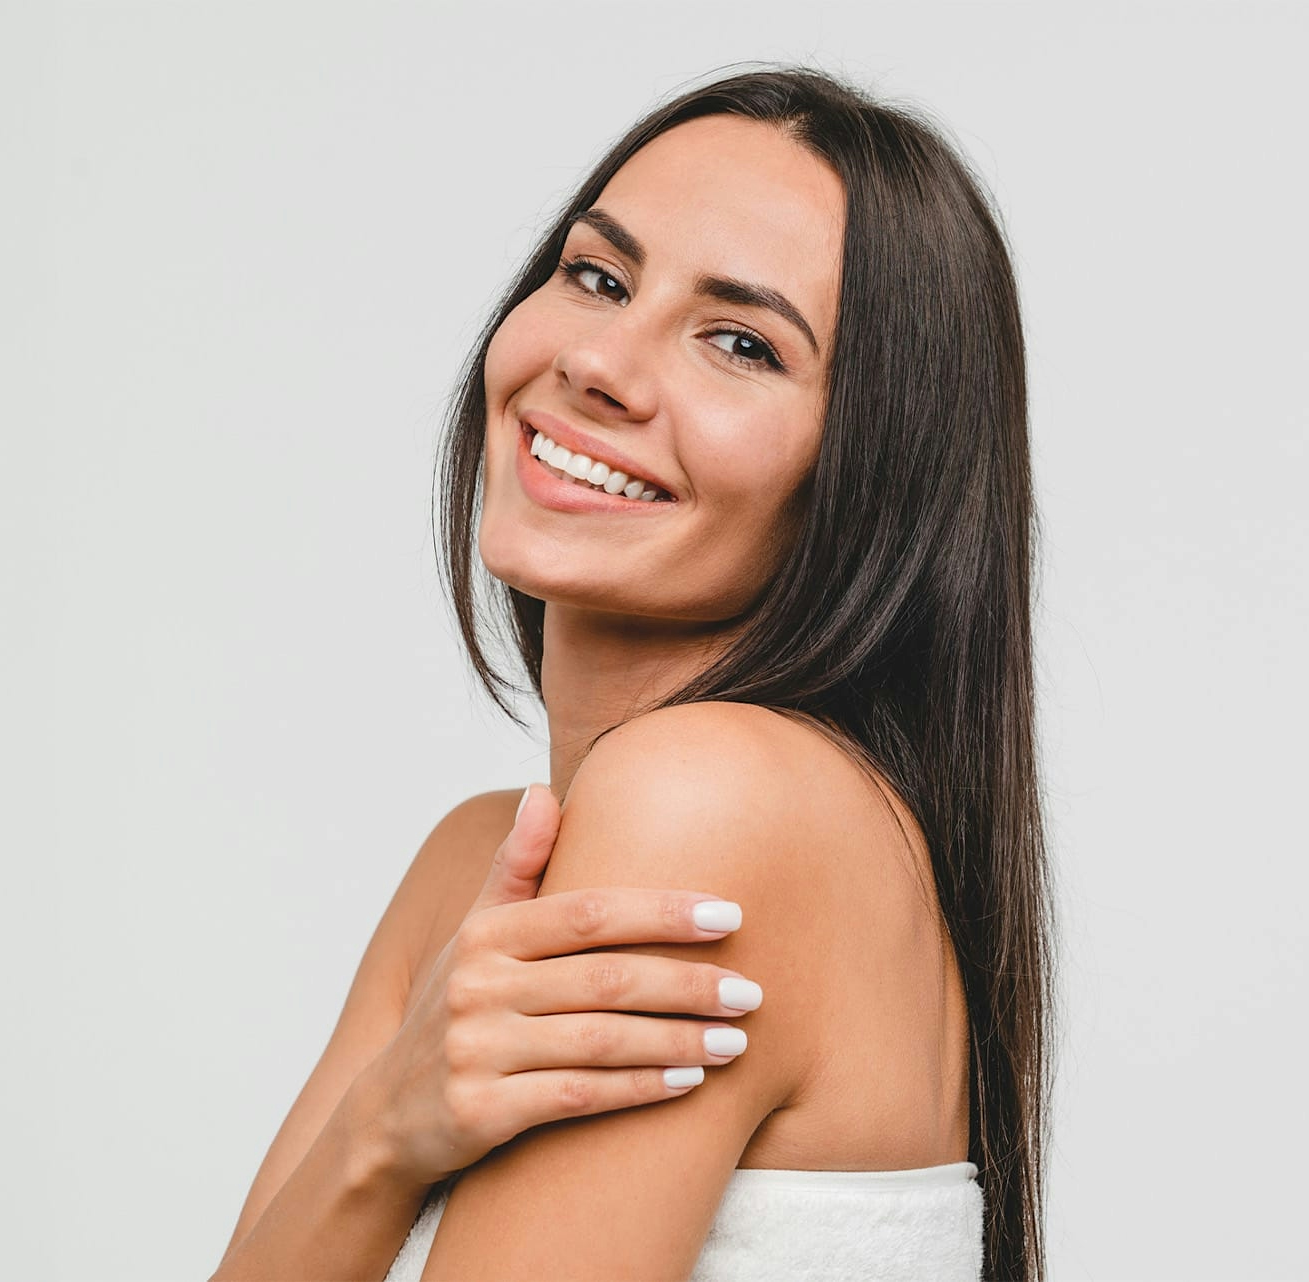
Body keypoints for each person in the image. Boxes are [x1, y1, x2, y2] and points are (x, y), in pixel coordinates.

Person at [211, 63, 1052, 1282]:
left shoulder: (709, 803)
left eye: (740, 343)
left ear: (871, 476)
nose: (601, 361)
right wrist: (381, 1134)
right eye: (598, 276)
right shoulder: (474, 861)